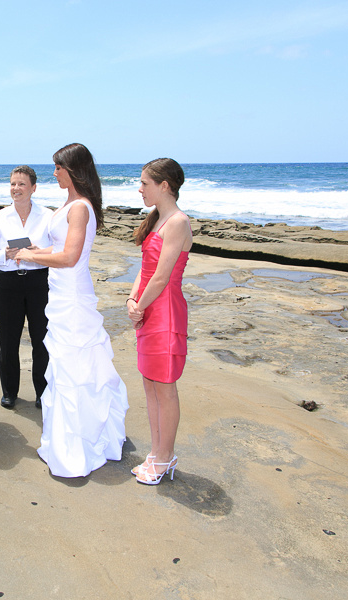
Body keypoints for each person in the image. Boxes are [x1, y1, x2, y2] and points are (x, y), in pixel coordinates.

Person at [15, 143, 128, 478]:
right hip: (60, 294)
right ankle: (67, 438)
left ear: (73, 169)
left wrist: (30, 257)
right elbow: (60, 247)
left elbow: (70, 258)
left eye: (58, 167)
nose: (54, 173)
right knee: (65, 366)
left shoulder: (80, 207)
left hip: (74, 296)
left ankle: (78, 444)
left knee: (74, 366)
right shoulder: (69, 204)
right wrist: (37, 248)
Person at [126, 158, 192, 485]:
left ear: (164, 185)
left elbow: (163, 275)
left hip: (164, 311)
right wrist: (131, 300)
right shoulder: (157, 218)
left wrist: (140, 305)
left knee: (164, 387)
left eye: (144, 183)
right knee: (149, 383)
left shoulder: (178, 222)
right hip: (149, 309)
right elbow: (145, 269)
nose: (140, 189)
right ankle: (155, 452)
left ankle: (166, 457)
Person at [0, 165, 53, 410]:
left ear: (33, 188)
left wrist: (38, 253)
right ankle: (9, 392)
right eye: (13, 184)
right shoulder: (0, 217)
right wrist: (4, 253)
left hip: (40, 284)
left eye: (22, 184)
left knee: (42, 341)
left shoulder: (48, 216)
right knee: (8, 341)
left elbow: (59, 249)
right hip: (8, 284)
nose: (16, 188)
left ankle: (42, 392)